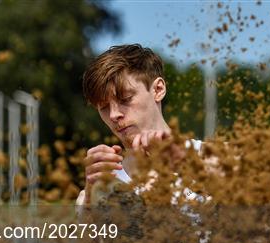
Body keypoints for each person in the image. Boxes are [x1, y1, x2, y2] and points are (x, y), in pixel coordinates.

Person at [76, 44, 203, 207]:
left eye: (125, 99)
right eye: (104, 107)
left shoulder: (217, 162)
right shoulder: (99, 192)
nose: (114, 115)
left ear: (158, 89)